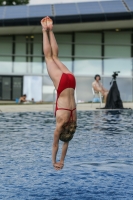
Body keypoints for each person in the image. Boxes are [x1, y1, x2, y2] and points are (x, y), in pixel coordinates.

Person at [41, 16, 77, 170]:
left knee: (55, 57)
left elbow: (66, 143)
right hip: (62, 84)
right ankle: (44, 30)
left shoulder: (73, 122)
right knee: (49, 58)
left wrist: (63, 161)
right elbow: (56, 145)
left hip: (71, 82)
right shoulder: (60, 125)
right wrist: (54, 161)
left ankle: (51, 30)